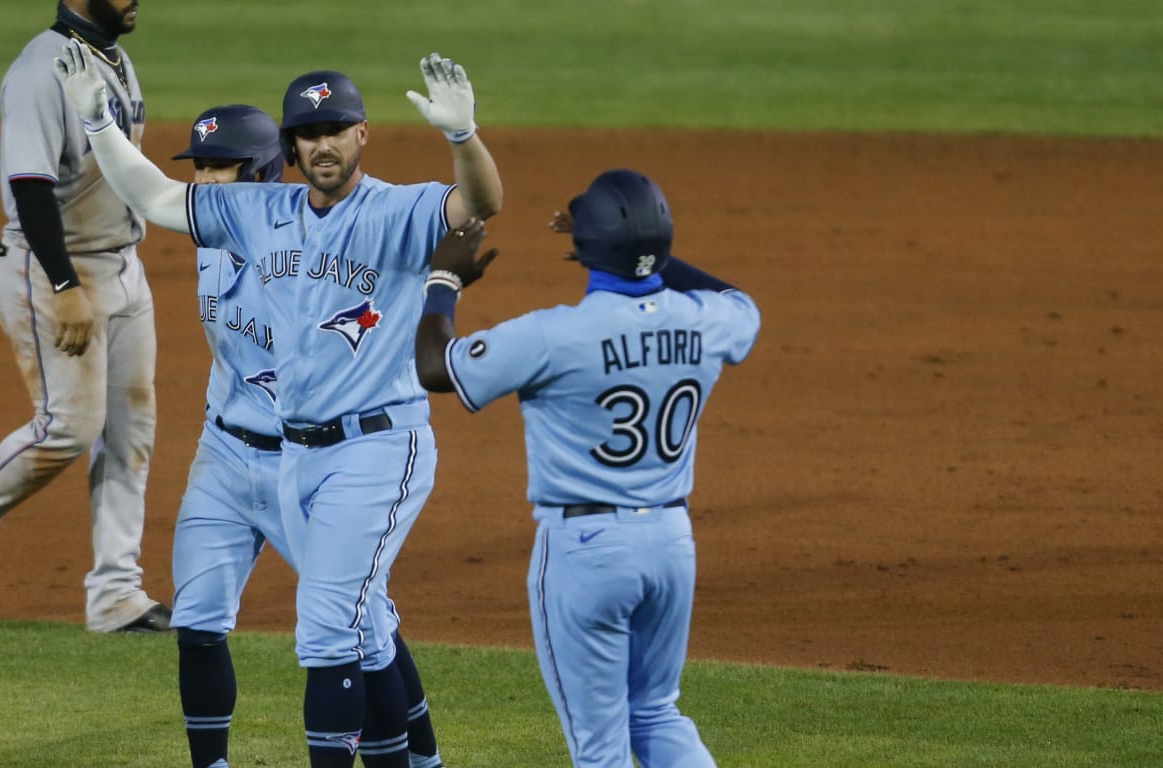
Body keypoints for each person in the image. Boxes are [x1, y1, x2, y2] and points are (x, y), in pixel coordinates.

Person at [52, 44, 502, 767]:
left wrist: (461, 136)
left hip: (371, 444)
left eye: (337, 129)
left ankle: (418, 759)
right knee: (324, 627)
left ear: (361, 135)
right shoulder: (255, 216)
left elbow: (479, 203)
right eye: (309, 134)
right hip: (276, 452)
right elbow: (154, 195)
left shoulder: (397, 209)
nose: (323, 145)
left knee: (342, 630)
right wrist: (99, 122)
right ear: (290, 148)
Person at [413, 169, 761, 768]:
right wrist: (646, 258)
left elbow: (436, 368)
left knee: (599, 750)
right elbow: (740, 302)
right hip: (671, 543)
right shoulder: (704, 322)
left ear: (586, 249)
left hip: (587, 551)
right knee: (655, 711)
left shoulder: (556, 334)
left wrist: (443, 280)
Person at [168, 104, 447, 768]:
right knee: (197, 619)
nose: (204, 183)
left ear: (263, 173)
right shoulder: (209, 246)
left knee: (367, 632)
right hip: (226, 452)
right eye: (198, 168)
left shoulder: (306, 259)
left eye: (220, 168)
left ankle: (423, 760)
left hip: (307, 461)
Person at [0, 0, 171, 635]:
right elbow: (30, 184)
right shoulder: (39, 70)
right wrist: (64, 284)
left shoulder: (113, 54)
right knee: (70, 428)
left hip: (121, 265)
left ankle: (117, 595)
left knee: (130, 433)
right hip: (57, 268)